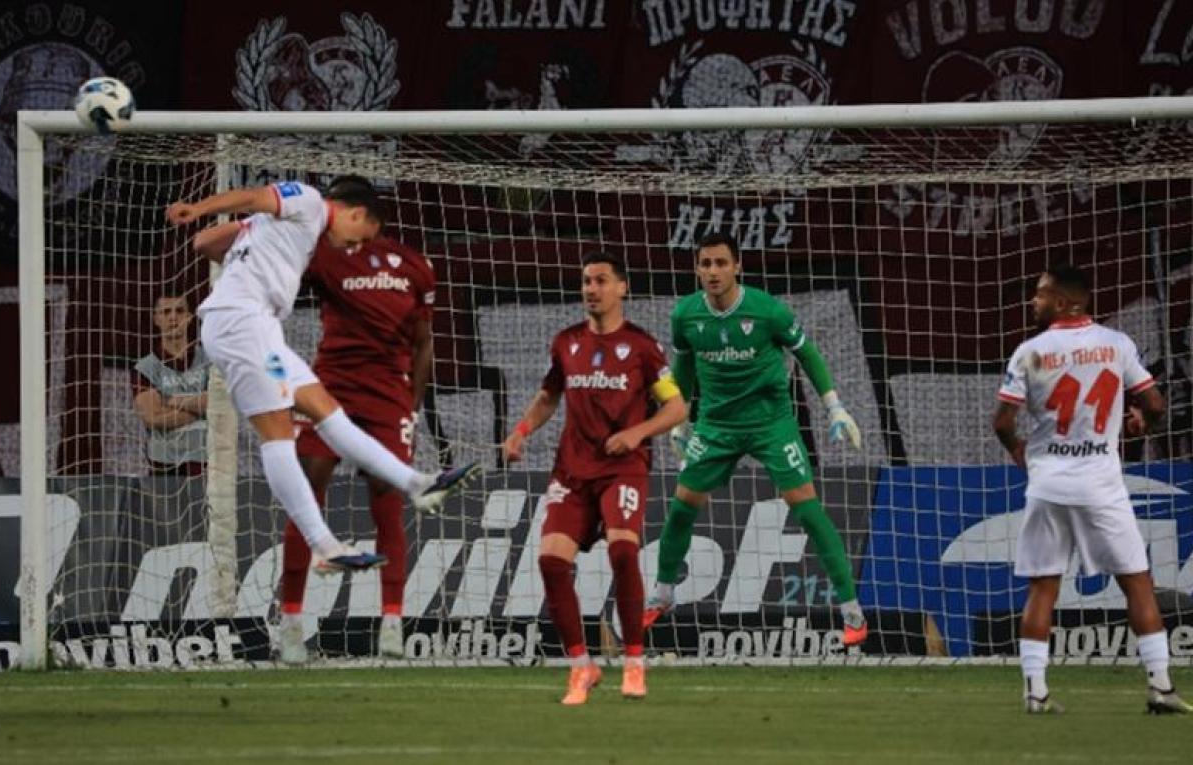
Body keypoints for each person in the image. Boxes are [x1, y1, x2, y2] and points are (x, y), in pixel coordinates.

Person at [167, 178, 477, 574]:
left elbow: (204, 243)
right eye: (361, 237)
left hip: (260, 328)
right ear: (356, 214)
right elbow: (252, 197)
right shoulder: (310, 201)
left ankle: (416, 484)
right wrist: (200, 208)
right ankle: (323, 545)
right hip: (239, 324)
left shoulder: (289, 226)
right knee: (278, 432)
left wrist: (250, 237)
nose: (354, 246)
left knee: (326, 409)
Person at [644, 232, 868, 649]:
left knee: (806, 507)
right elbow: (685, 366)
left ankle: (851, 609)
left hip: (771, 424)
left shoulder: (767, 311)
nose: (713, 271)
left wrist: (834, 406)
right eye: (706, 264)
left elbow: (808, 354)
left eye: (721, 263)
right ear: (697, 269)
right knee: (682, 505)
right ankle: (663, 592)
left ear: (737, 266)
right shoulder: (685, 315)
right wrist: (680, 421)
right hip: (716, 426)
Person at [993, 264, 1193, 715]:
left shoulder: (1030, 352)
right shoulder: (1117, 344)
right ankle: (1161, 687)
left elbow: (1003, 422)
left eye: (1041, 294)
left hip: (1048, 484)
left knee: (1043, 588)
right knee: (1137, 582)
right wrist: (1143, 421)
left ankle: (1035, 693)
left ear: (1065, 302)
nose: (1033, 301)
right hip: (1101, 485)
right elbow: (1155, 403)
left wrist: (1018, 451)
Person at [502, 252, 686, 705]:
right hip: (572, 470)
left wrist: (637, 433)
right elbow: (549, 396)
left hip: (623, 468)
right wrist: (520, 431)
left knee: (623, 551)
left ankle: (634, 663)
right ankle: (582, 666)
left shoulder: (642, 347)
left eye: (601, 281)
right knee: (550, 561)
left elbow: (677, 407)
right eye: (586, 281)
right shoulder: (566, 342)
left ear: (622, 288)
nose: (591, 289)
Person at [278, 176, 439, 663]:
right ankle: (291, 624)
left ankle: (392, 623)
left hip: (389, 396)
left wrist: (412, 406)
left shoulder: (414, 266)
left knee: (387, 497)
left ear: (362, 212)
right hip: (332, 387)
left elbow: (423, 342)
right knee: (307, 486)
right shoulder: (323, 257)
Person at [131, 293, 210, 476]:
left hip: (206, 458)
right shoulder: (145, 368)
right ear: (156, 319)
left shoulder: (209, 360)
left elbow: (217, 403)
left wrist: (172, 401)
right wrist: (199, 410)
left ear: (189, 317)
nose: (173, 317)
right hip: (164, 463)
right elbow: (154, 417)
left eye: (180, 311)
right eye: (166, 312)